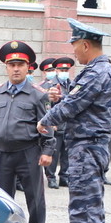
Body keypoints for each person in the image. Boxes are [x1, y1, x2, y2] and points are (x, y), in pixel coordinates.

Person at [37, 18, 111, 223]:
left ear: (85, 45)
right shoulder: (97, 71)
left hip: (87, 148)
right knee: (88, 210)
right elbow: (80, 103)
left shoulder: (97, 72)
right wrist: (61, 99)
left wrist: (46, 119)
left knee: (85, 212)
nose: (73, 51)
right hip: (87, 146)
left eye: (75, 45)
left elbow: (74, 104)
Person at [0, 41, 54, 223]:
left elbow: (47, 124)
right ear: (6, 67)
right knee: (3, 198)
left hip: (28, 152)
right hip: (2, 153)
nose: (16, 69)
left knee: (34, 197)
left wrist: (47, 151)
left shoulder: (38, 94)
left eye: (20, 65)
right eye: (12, 65)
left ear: (28, 67)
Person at [44, 57, 75, 188]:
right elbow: (46, 105)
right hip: (56, 125)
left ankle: (64, 177)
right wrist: (50, 122)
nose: (64, 72)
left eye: (66, 70)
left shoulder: (72, 84)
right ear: (56, 70)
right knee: (54, 153)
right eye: (62, 70)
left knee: (66, 154)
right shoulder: (50, 85)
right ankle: (51, 177)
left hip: (69, 125)